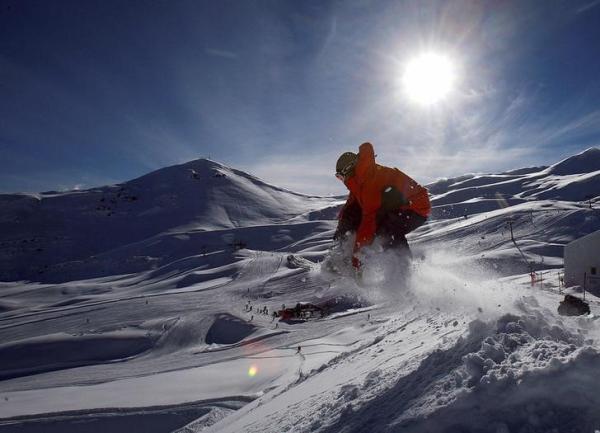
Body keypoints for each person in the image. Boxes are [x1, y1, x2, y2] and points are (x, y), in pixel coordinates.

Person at [334, 142, 431, 268]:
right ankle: (342, 256)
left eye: (340, 176)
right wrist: (342, 230)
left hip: (415, 207)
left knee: (386, 230)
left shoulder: (369, 180)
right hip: (396, 205)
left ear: (349, 169)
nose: (341, 180)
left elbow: (370, 221)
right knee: (352, 214)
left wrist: (356, 258)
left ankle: (402, 269)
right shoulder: (359, 181)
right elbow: (350, 206)